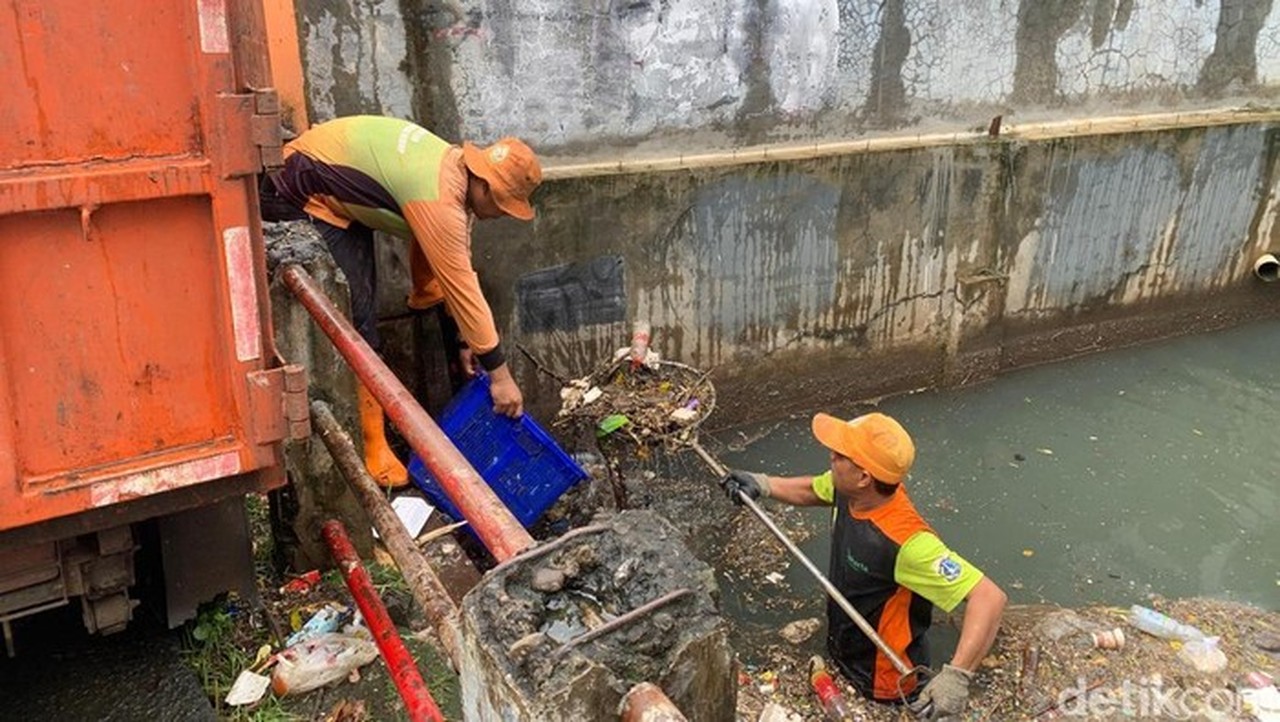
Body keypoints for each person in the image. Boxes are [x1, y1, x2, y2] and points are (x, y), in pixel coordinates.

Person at [260, 115, 542, 487]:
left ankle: (373, 440)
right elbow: (462, 285)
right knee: (355, 322)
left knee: (363, 307)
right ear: (486, 187)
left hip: (333, 188)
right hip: (299, 189)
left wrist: (456, 333)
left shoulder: (451, 174)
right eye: (504, 205)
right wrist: (501, 377)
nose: (502, 215)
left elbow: (439, 257)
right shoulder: (441, 200)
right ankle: (373, 449)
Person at [722, 412, 1006, 719]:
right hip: (847, 641)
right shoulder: (850, 492)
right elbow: (813, 489)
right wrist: (763, 484)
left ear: (864, 477)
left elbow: (989, 597)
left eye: (841, 455)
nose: (831, 456)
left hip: (885, 680)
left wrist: (957, 676)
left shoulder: (908, 543)